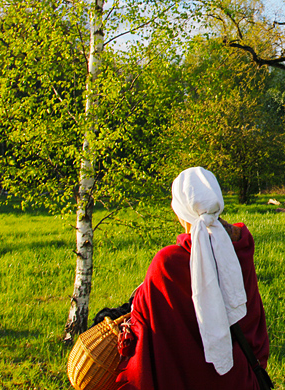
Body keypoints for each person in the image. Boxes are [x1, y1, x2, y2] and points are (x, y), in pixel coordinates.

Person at [115, 167, 270, 390]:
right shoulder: (240, 244)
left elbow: (146, 328)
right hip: (240, 376)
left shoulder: (167, 263)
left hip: (187, 379)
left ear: (180, 212)